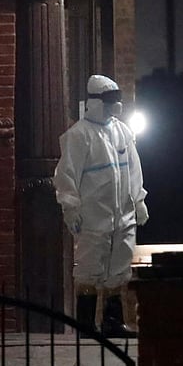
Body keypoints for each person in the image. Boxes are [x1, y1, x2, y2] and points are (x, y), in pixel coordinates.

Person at [52, 75, 149, 337]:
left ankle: (113, 323)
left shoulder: (122, 132)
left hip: (122, 216)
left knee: (118, 268)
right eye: (108, 101)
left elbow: (133, 170)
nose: (114, 106)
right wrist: (70, 207)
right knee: (89, 269)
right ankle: (85, 326)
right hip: (93, 218)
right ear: (95, 102)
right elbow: (66, 176)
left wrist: (138, 200)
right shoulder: (79, 136)